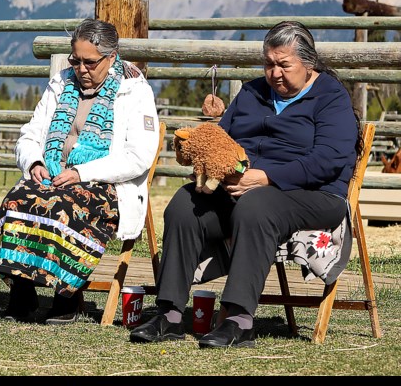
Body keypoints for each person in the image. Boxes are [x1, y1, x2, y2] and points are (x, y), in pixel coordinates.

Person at [129, 20, 360, 348]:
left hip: (314, 195)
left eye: (284, 65)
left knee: (256, 206)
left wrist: (266, 177)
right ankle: (170, 313)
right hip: (244, 190)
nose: (274, 73)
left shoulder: (330, 97)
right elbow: (224, 140)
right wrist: (214, 144)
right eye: (268, 64)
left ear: (308, 64)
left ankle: (237, 319)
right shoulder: (252, 93)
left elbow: (330, 159)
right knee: (184, 205)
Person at [0, 19, 160, 324]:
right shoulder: (61, 83)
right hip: (54, 173)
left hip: (104, 182)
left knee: (66, 205)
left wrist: (82, 172)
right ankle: (22, 290)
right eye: (75, 60)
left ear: (111, 57)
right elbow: (31, 134)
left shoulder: (134, 89)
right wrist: (34, 163)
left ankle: (66, 295)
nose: (81, 69)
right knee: (18, 198)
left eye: (90, 62)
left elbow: (139, 156)